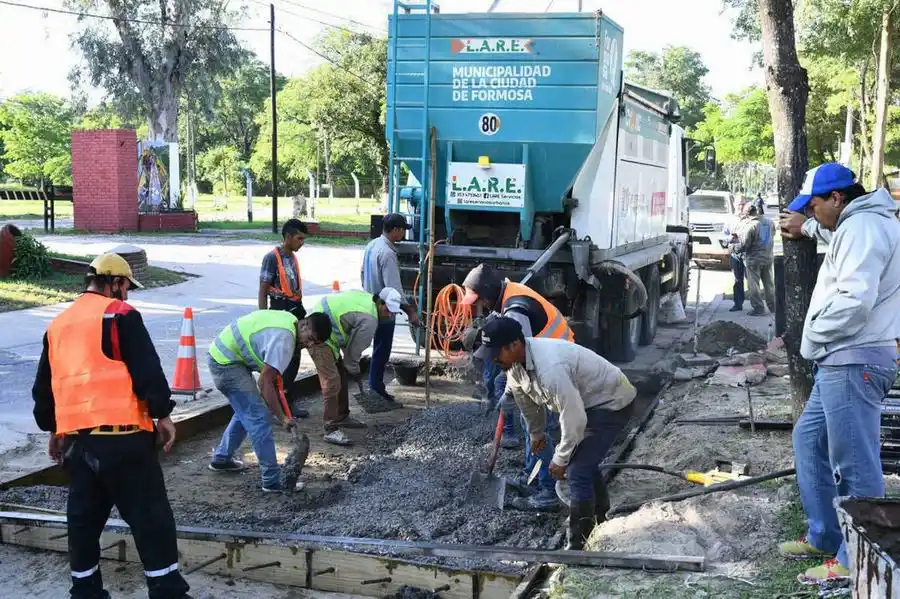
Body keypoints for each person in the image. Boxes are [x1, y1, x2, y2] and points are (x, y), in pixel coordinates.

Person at [31, 253, 192, 599]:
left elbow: (46, 389)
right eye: (126, 287)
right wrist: (163, 414)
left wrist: (54, 429)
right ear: (115, 283)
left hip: (79, 446)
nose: (128, 295)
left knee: (83, 524)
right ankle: (167, 592)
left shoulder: (57, 324)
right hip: (126, 442)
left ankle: (85, 592)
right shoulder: (120, 315)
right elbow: (147, 369)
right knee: (151, 521)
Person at [776, 163, 900, 585]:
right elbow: (838, 238)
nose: (811, 214)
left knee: (855, 465)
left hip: (852, 357)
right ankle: (827, 534)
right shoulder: (858, 223)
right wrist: (809, 229)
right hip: (845, 358)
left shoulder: (862, 228)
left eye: (813, 207)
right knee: (808, 439)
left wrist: (813, 335)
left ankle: (857, 557)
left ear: (837, 198)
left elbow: (855, 302)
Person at [479, 317, 636, 550]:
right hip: (587, 403)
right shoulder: (515, 366)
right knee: (584, 463)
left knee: (577, 469)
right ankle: (601, 519)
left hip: (611, 402)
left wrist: (560, 458)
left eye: (496, 352)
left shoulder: (550, 369)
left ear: (514, 345)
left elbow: (574, 419)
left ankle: (578, 547)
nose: (493, 359)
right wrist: (537, 435)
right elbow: (527, 404)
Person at [462, 263, 575, 511]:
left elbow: (520, 356)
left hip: (554, 366)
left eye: (479, 299)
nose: (479, 305)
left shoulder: (515, 310)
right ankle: (531, 476)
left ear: (489, 292)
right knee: (530, 424)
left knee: (539, 428)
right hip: (547, 359)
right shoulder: (509, 294)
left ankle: (547, 490)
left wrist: (512, 391)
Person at [207, 309, 332, 492]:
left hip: (225, 355)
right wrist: (282, 418)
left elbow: (270, 379)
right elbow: (265, 382)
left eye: (314, 343)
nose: (308, 344)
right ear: (304, 325)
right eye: (310, 338)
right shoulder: (285, 341)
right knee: (258, 417)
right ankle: (272, 481)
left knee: (247, 410)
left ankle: (221, 459)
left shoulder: (290, 322)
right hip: (225, 363)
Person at [308, 288, 406, 446]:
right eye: (388, 310)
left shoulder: (368, 301)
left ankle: (342, 416)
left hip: (326, 325)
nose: (389, 315)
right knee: (332, 380)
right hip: (317, 330)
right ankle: (330, 428)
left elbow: (349, 347)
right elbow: (352, 357)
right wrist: (355, 370)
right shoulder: (370, 322)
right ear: (380, 303)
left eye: (393, 312)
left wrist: (349, 366)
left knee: (340, 373)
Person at [361, 213, 421, 403]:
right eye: (403, 230)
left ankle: (374, 386)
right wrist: (410, 311)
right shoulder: (387, 253)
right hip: (385, 308)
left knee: (378, 346)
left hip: (370, 302)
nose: (404, 234)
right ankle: (376, 388)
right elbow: (394, 288)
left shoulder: (372, 245)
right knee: (382, 348)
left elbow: (362, 274)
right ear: (395, 230)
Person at [259, 219, 308, 404]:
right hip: (280, 310)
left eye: (303, 239)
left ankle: (287, 398)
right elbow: (263, 289)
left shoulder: (292, 257)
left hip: (295, 308)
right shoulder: (272, 258)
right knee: (282, 357)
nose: (302, 243)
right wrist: (263, 317)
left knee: (295, 355)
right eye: (299, 238)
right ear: (288, 237)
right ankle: (279, 401)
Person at [734, 201, 776, 316]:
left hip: (754, 258)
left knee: (754, 285)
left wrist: (735, 248)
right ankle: (773, 306)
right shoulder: (770, 222)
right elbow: (773, 235)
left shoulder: (751, 225)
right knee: (769, 284)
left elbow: (745, 244)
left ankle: (758, 308)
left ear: (747, 213)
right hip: (768, 257)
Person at [725, 198, 749, 312]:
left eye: (743, 204)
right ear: (734, 205)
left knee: (752, 280)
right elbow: (724, 236)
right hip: (735, 254)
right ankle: (738, 304)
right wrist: (730, 240)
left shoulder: (750, 218)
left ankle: (756, 305)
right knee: (737, 280)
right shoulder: (730, 220)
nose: (741, 207)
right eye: (739, 204)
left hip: (748, 254)